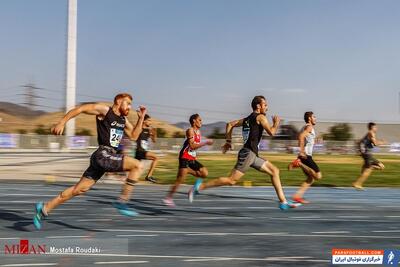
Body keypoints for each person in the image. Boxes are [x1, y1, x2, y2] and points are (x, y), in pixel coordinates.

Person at [33, 93, 146, 230]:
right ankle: (122, 201)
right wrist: (62, 122)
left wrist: (141, 119)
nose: (130, 107)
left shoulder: (123, 120)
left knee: (79, 189)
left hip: (105, 158)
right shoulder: (105, 111)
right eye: (128, 103)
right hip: (103, 154)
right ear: (118, 101)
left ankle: (44, 208)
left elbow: (134, 136)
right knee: (137, 166)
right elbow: (80, 109)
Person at [188, 96, 297, 210]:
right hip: (248, 154)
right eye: (265, 105)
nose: (267, 108)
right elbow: (272, 133)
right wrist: (276, 123)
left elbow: (229, 124)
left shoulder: (247, 119)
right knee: (231, 180)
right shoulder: (261, 117)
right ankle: (199, 187)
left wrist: (228, 142)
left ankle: (283, 202)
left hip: (252, 154)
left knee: (275, 171)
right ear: (258, 106)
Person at [163, 114, 213, 207]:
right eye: (200, 120)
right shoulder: (190, 131)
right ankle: (168, 198)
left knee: (204, 173)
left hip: (192, 158)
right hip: (184, 157)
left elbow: (195, 148)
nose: (201, 122)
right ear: (194, 121)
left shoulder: (198, 132)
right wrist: (205, 142)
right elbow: (192, 146)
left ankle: (192, 188)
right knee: (179, 180)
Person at [288, 111, 322, 204]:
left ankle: (297, 196)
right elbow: (301, 136)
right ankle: (299, 164)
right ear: (309, 118)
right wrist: (302, 151)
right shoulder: (309, 127)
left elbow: (301, 137)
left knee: (310, 179)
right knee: (318, 176)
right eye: (314, 117)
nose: (315, 118)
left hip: (303, 155)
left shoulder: (305, 127)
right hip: (306, 156)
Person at [352, 122, 385, 190]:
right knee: (371, 169)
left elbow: (360, 142)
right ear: (372, 128)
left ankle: (358, 184)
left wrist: (360, 151)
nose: (376, 128)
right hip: (368, 154)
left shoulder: (368, 134)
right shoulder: (371, 133)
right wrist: (381, 142)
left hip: (366, 154)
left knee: (380, 167)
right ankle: (357, 183)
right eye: (375, 127)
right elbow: (375, 143)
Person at [134, 114, 159, 183]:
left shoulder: (148, 131)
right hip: (140, 151)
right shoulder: (139, 129)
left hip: (142, 151)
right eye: (149, 120)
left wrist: (155, 132)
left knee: (135, 169)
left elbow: (154, 141)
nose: (150, 122)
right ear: (144, 121)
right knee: (156, 158)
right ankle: (149, 176)